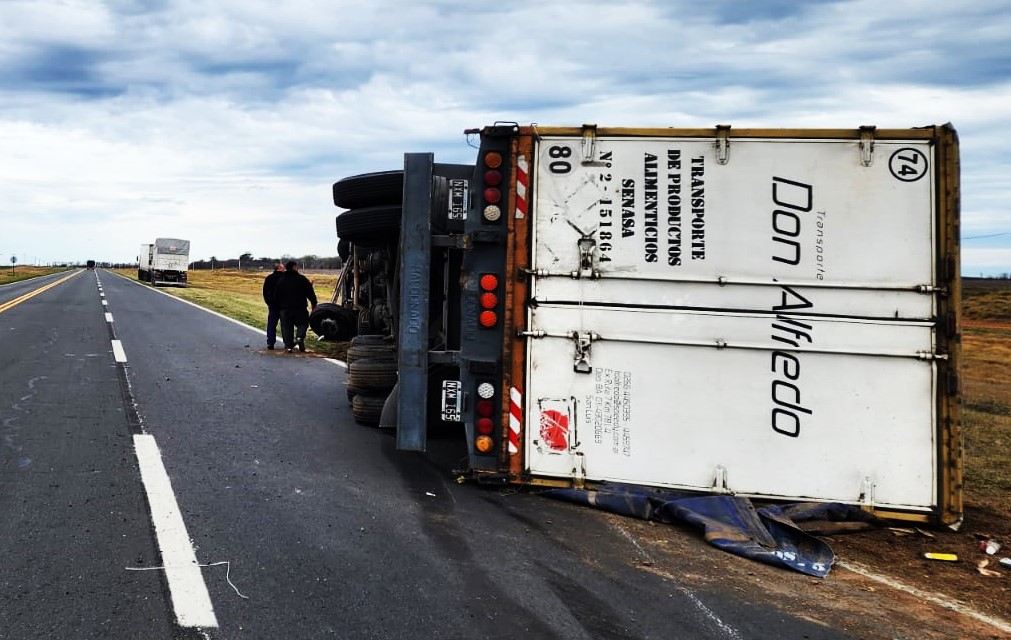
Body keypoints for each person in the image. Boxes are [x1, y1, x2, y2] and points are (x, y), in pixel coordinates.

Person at [273, 260, 318, 353]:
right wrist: (314, 303)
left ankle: (288, 346)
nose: (298, 268)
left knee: (286, 328)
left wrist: (277, 307)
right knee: (303, 324)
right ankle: (300, 337)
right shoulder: (302, 279)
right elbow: (310, 292)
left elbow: (276, 295)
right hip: (300, 308)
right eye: (297, 267)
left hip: (285, 309)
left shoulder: (281, 280)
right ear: (294, 267)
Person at [262, 260, 285, 350]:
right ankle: (288, 343)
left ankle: (270, 342)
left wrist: (269, 302)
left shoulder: (269, 278)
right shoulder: (285, 278)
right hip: (284, 305)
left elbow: (265, 292)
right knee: (285, 325)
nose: (284, 269)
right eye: (283, 267)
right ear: (279, 268)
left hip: (272, 305)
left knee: (271, 324)